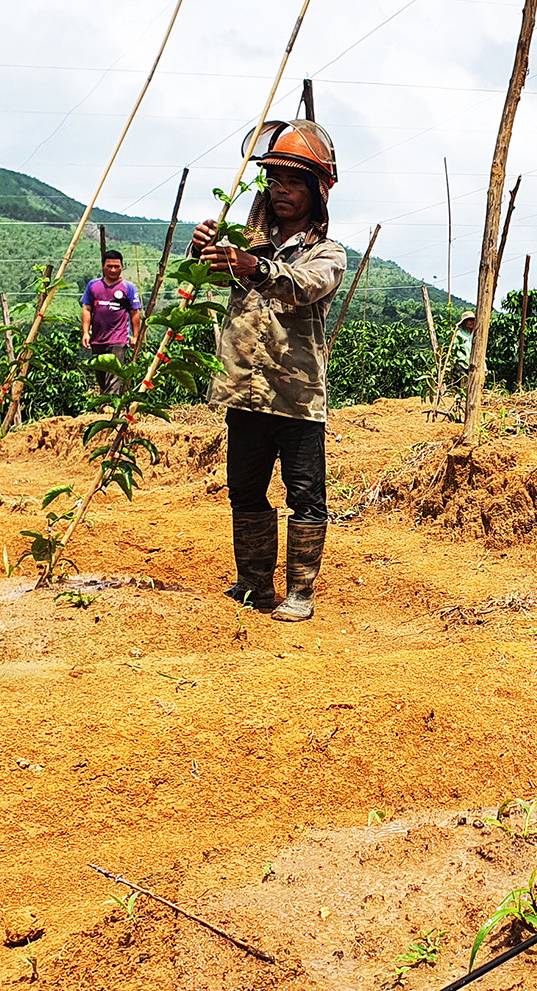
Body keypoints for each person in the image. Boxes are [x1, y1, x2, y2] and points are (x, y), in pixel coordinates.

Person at [191, 120, 345, 622]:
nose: (281, 190)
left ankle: (300, 592)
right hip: (246, 390)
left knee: (305, 495)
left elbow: (301, 286)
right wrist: (204, 251)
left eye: (293, 182)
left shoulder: (328, 253)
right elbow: (199, 276)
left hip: (297, 399)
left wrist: (251, 266)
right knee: (246, 491)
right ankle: (254, 584)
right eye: (274, 181)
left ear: (316, 194)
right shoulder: (247, 244)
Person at [81, 250, 143, 395]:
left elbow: (135, 313)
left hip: (118, 339)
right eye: (109, 266)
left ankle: (110, 406)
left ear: (122, 267)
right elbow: (87, 309)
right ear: (103, 266)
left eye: (117, 266)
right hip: (97, 339)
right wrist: (85, 332)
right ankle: (104, 406)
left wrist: (135, 336)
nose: (113, 270)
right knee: (101, 375)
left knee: (114, 373)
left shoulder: (129, 287)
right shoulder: (93, 286)